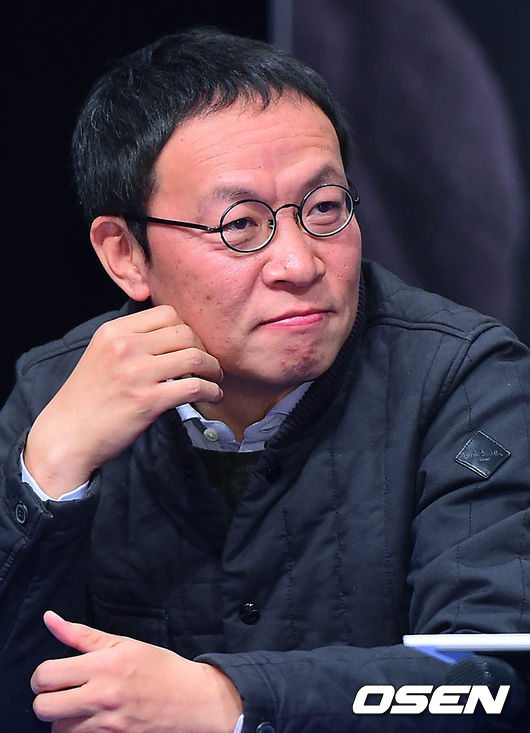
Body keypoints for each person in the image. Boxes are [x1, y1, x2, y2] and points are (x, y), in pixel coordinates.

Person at [0, 26, 529, 733]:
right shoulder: (54, 392)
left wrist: (233, 700)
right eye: (240, 225)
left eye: (324, 209)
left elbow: (493, 681)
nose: (298, 264)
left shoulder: (465, 381)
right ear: (126, 254)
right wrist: (49, 477)